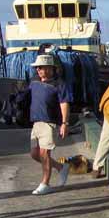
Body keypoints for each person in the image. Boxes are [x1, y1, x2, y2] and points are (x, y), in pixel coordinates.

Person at [28, 54, 71, 195]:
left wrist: (64, 123)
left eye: (42, 68)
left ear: (51, 68)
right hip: (36, 122)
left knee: (44, 153)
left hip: (50, 123)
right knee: (35, 154)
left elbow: (64, 103)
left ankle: (45, 183)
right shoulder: (34, 81)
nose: (39, 70)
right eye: (37, 68)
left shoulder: (59, 84)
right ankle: (61, 167)